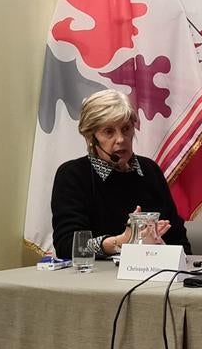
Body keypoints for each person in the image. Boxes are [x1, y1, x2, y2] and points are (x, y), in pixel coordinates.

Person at [51, 89, 189, 260]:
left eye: (126, 129)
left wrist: (159, 244)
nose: (121, 139)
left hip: (155, 275)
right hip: (97, 280)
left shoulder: (149, 170)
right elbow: (68, 245)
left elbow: (181, 240)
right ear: (91, 137)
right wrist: (120, 242)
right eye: (109, 131)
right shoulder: (72, 175)